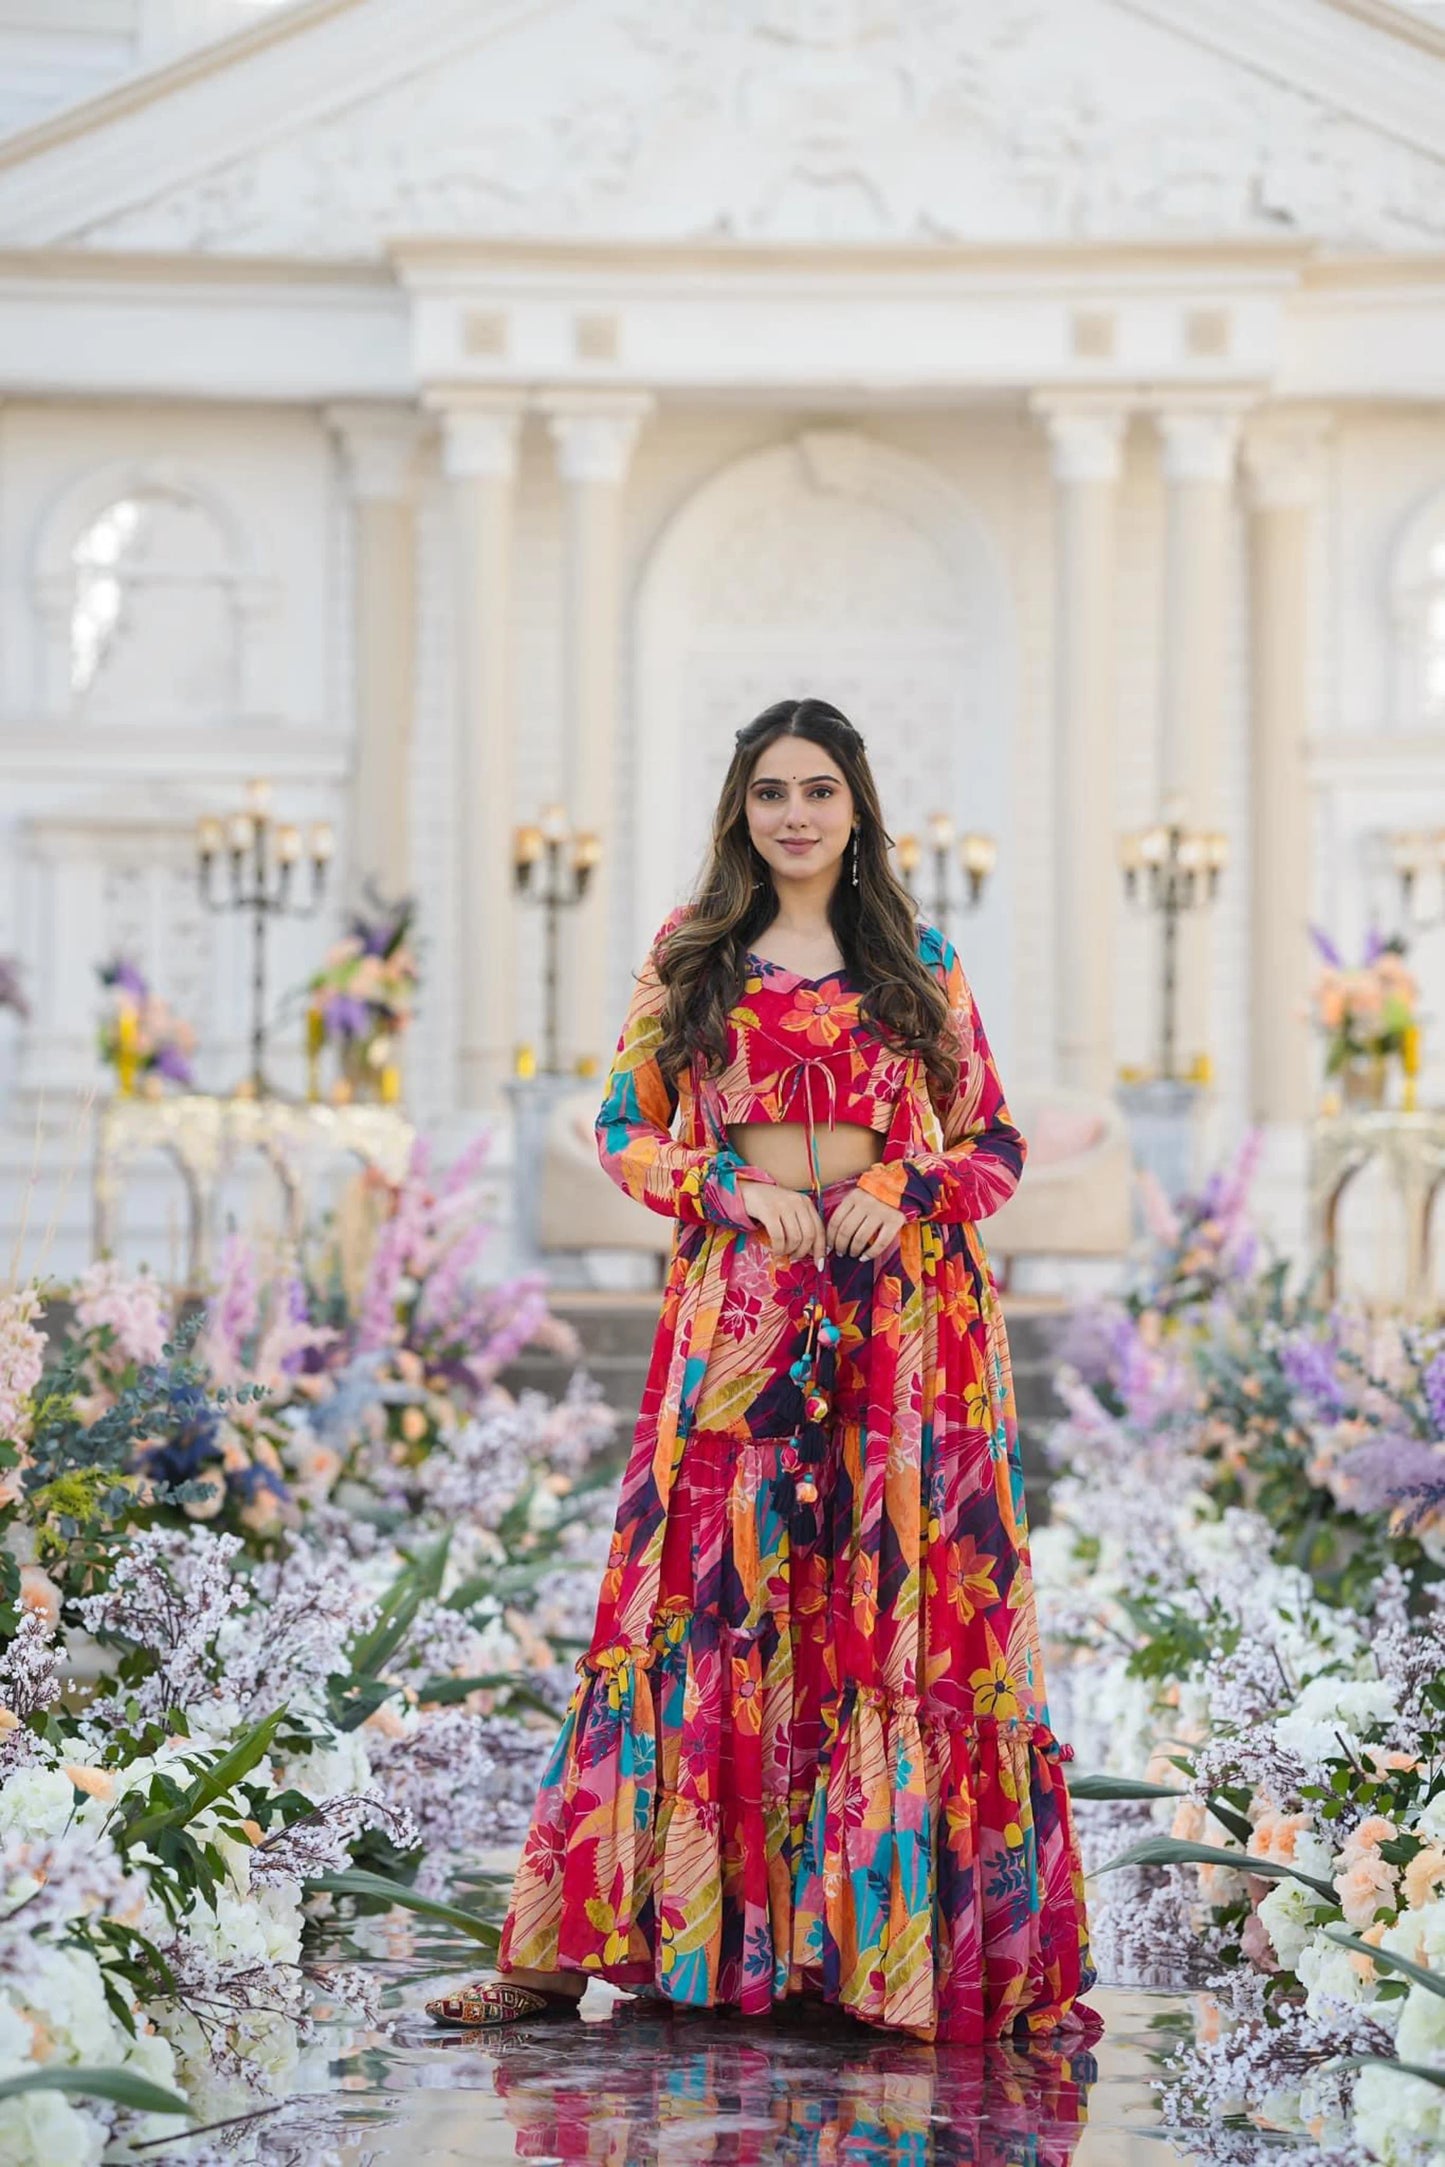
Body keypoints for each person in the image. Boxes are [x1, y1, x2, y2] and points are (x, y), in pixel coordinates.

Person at [426, 696, 1094, 2043]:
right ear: (741, 809)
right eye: (770, 792)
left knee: (881, 1610)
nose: (794, 814)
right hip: (741, 1316)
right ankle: (579, 1957)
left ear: (857, 810)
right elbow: (624, 1132)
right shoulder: (690, 958)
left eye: (819, 792)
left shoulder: (917, 959)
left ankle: (867, 1955)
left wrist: (908, 1185)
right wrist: (723, 1187)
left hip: (904, 1330)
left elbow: (996, 1146)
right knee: (706, 1603)